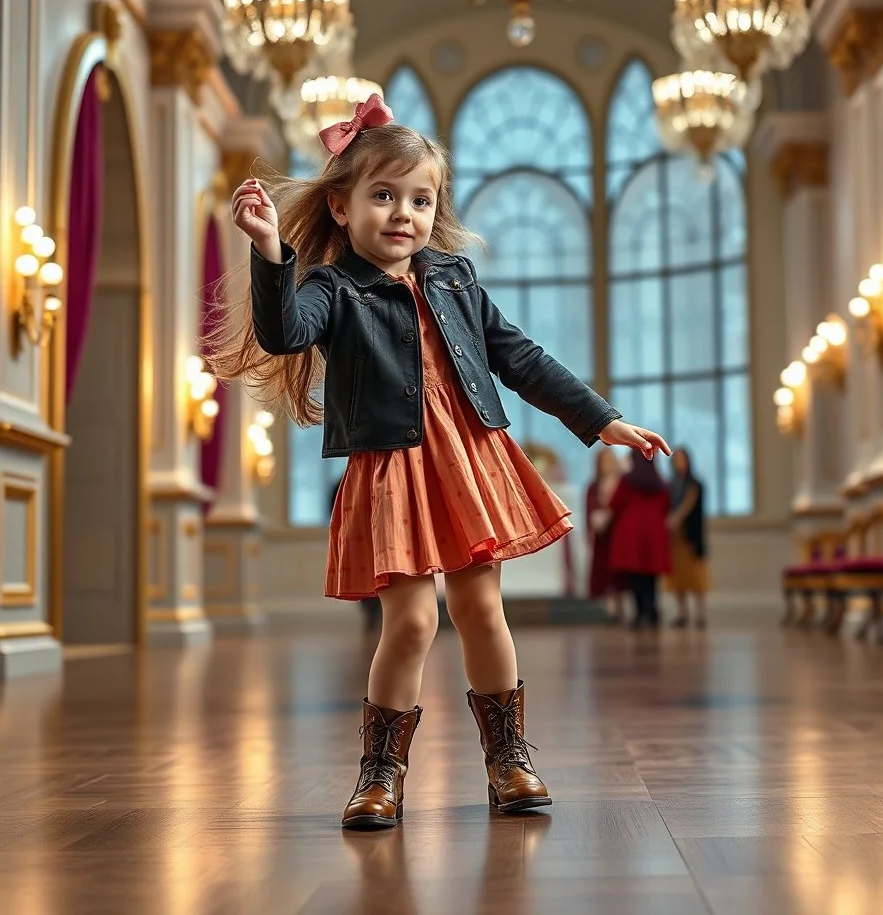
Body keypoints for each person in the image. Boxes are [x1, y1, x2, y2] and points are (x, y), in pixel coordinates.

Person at [210, 94, 670, 831]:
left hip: (468, 455)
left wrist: (602, 419)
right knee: (413, 624)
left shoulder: (453, 277)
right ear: (340, 206)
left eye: (420, 200)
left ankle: (509, 760)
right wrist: (269, 253)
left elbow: (519, 357)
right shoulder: (333, 288)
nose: (404, 214)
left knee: (482, 607)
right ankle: (380, 773)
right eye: (383, 196)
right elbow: (286, 334)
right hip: (393, 465)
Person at [607, 449, 671, 629]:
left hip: (631, 533)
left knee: (635, 576)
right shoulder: (661, 482)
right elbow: (667, 505)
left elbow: (614, 503)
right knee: (651, 576)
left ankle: (640, 613)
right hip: (655, 533)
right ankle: (652, 610)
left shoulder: (627, 481)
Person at [330, 475, 382, 631]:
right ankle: (373, 613)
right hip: (361, 535)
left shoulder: (344, 482)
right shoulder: (348, 481)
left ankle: (373, 613)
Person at [666, 447, 709, 629]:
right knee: (678, 576)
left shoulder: (695, 484)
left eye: (682, 459)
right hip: (675, 538)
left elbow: (690, 506)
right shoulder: (670, 485)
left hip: (691, 535)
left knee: (697, 576)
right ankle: (682, 612)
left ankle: (701, 613)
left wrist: (677, 518)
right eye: (676, 460)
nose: (679, 463)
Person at [585, 447, 627, 621]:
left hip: (617, 534)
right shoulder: (594, 486)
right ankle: (611, 610)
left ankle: (621, 607)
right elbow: (590, 508)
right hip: (602, 536)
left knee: (619, 573)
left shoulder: (622, 483)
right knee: (605, 572)